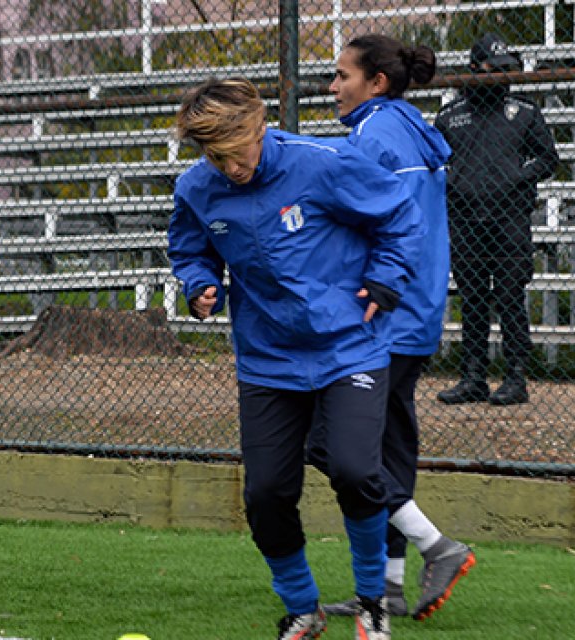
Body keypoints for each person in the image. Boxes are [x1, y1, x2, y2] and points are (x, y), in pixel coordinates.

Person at [168, 77, 425, 640]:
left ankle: (371, 601)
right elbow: (189, 247)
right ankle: (302, 611)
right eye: (216, 156)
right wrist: (199, 282)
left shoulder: (324, 162)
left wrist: (385, 278)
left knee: (357, 471)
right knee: (265, 496)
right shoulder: (197, 188)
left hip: (348, 347)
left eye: (237, 151)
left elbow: (399, 214)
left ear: (260, 126)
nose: (230, 167)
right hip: (267, 360)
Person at [320, 34, 476, 621]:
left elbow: (367, 223)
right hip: (417, 310)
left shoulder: (373, 134)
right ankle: (387, 588)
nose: (332, 88)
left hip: (383, 315)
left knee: (332, 446)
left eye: (340, 76)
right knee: (387, 449)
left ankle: (437, 545)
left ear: (375, 82)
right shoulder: (409, 124)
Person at [434, 33, 558, 406]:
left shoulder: (524, 112)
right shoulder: (450, 116)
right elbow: (435, 163)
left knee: (509, 296)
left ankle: (515, 377)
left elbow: (548, 160)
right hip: (466, 219)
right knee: (471, 298)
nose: (503, 76)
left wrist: (516, 178)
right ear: (475, 68)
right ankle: (472, 376)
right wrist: (454, 182)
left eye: (508, 69)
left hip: (509, 220)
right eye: (496, 69)